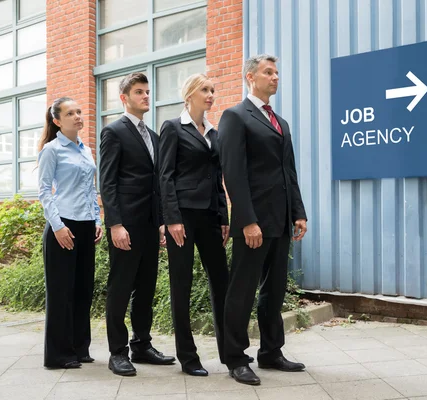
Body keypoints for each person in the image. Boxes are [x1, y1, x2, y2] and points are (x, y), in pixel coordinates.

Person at [218, 54, 308, 385]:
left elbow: (289, 171)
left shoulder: (279, 122)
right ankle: (235, 358)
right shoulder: (235, 117)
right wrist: (247, 220)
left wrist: (298, 212)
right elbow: (233, 173)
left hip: (280, 220)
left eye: (277, 72)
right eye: (268, 72)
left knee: (274, 289)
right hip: (253, 222)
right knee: (242, 290)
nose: (275, 77)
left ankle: (271, 351)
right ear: (250, 77)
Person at [99, 72, 175, 377]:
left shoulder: (154, 136)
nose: (146, 96)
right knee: (120, 288)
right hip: (125, 226)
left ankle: (142, 345)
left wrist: (160, 223)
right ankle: (117, 352)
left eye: (147, 91)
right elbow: (108, 182)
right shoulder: (113, 132)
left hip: (148, 226)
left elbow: (157, 184)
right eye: (139, 92)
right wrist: (115, 224)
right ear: (124, 98)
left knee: (145, 288)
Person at [158, 73, 230, 377]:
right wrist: (171, 219)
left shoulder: (213, 133)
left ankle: (231, 350)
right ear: (190, 94)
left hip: (210, 218)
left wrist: (224, 217)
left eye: (212, 90)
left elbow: (218, 179)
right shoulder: (173, 128)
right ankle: (188, 357)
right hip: (183, 219)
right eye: (205, 89)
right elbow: (165, 176)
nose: (211, 94)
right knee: (182, 285)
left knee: (222, 283)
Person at [38, 97, 103, 369]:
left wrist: (97, 219)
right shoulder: (52, 150)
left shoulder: (86, 150)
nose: (77, 116)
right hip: (62, 225)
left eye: (79, 111)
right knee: (61, 291)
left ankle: (79, 348)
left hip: (86, 225)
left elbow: (91, 189)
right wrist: (58, 226)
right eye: (70, 113)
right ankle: (58, 355)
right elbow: (43, 192)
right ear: (57, 121)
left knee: (83, 290)